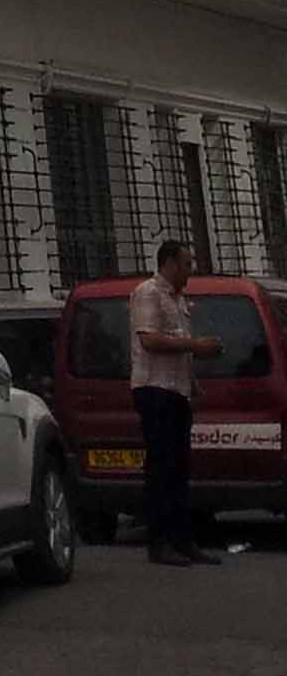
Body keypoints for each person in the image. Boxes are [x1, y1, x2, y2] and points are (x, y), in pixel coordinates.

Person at [129, 235, 221, 565]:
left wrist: (193, 382)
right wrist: (196, 347)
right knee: (161, 468)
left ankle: (183, 540)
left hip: (177, 390)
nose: (189, 271)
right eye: (185, 264)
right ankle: (160, 541)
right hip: (154, 390)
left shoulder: (179, 299)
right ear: (167, 263)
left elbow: (180, 346)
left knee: (180, 467)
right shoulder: (148, 293)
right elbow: (150, 340)